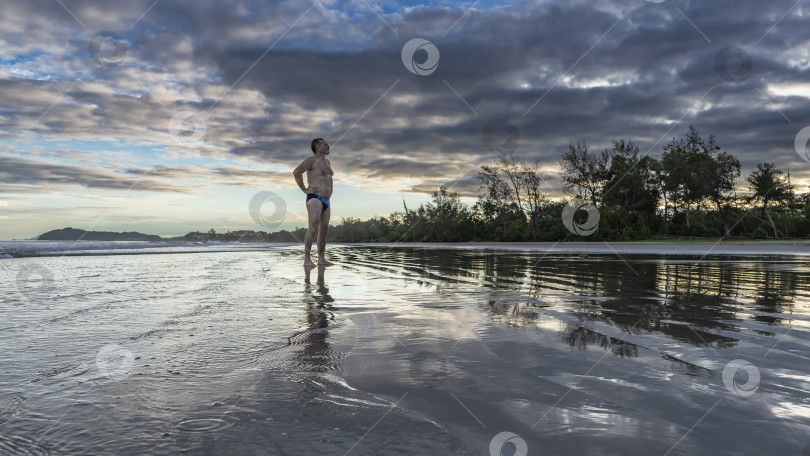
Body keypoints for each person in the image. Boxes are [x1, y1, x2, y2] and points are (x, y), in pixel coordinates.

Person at [293, 138, 334, 267]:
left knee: (324, 229)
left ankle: (321, 259)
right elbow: (296, 172)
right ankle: (307, 260)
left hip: (326, 200)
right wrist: (305, 189)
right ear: (317, 147)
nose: (328, 145)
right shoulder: (311, 160)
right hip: (315, 198)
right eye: (325, 144)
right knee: (313, 227)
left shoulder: (327, 162)